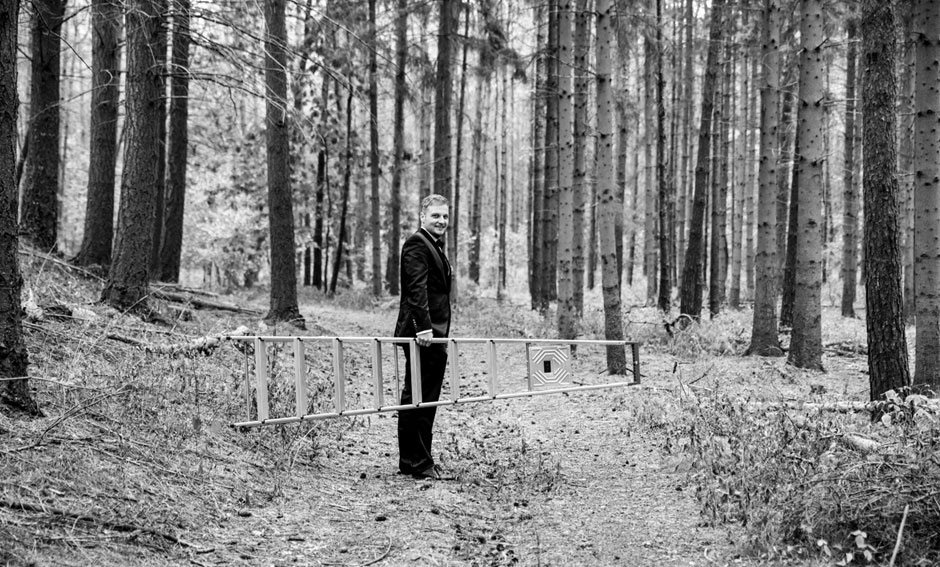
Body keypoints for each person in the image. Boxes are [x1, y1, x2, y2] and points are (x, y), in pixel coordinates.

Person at [393, 194, 453, 480]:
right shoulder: (418, 243)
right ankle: (415, 461)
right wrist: (424, 328)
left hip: (435, 334)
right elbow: (416, 290)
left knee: (427, 398)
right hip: (424, 335)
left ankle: (420, 459)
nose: (441, 221)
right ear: (422, 217)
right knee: (416, 395)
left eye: (444, 216)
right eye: (435, 216)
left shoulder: (433, 245)